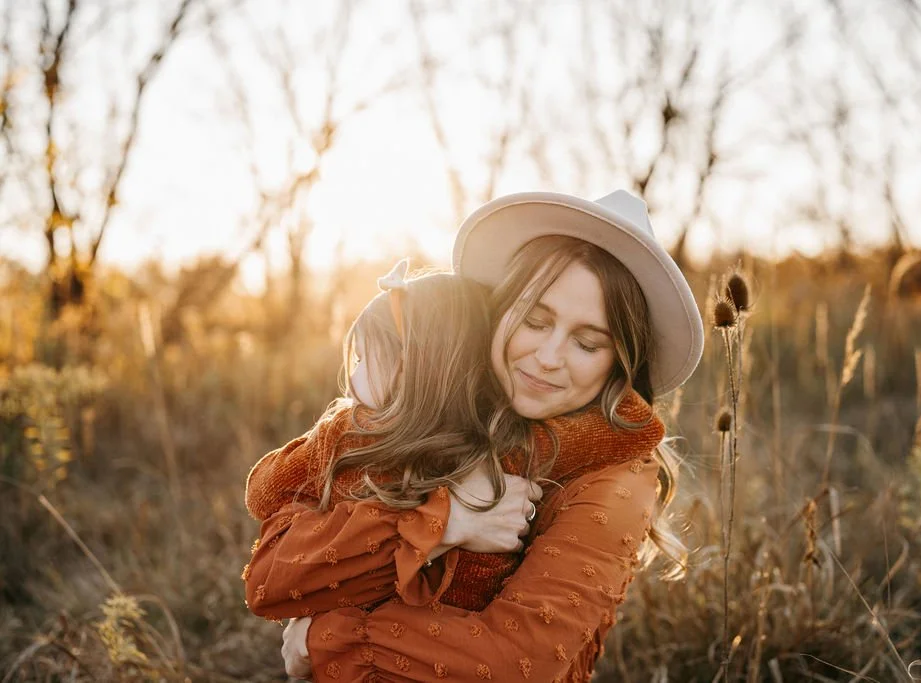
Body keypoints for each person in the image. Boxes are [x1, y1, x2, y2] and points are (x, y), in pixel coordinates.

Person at [255, 190, 704, 681]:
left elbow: (515, 663)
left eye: (586, 342)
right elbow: (271, 576)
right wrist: (444, 522)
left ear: (620, 362)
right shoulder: (432, 404)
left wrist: (332, 635)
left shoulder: (617, 477)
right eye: (535, 320)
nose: (549, 356)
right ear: (501, 310)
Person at [243, 261, 663, 613]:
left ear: (411, 368)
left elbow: (264, 491)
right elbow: (621, 431)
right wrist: (443, 522)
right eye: (534, 322)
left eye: (364, 360)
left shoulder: (347, 435)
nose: (350, 380)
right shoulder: (499, 445)